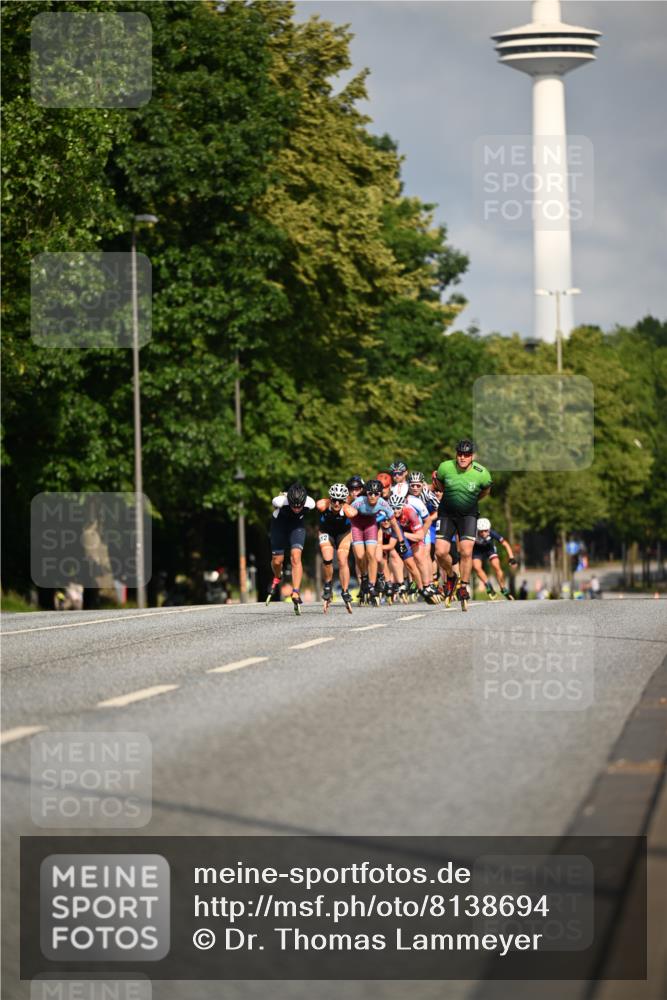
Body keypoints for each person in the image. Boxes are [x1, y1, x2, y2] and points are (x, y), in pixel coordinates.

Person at [433, 439, 492, 610]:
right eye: (460, 454)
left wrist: (473, 499)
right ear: (456, 454)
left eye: (466, 455)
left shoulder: (482, 473)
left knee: (466, 551)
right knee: (440, 552)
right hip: (446, 514)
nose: (463, 457)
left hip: (468, 515)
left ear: (472, 456)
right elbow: (440, 485)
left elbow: (486, 490)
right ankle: (451, 576)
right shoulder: (445, 467)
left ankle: (464, 587)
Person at [346, 479, 408, 606]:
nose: (373, 496)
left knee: (371, 554)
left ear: (380, 494)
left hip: (370, 525)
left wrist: (401, 542)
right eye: (370, 493)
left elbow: (394, 524)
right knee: (359, 555)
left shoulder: (383, 503)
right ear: (366, 493)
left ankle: (371, 585)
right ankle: (364, 578)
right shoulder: (358, 502)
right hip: (356, 525)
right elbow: (346, 517)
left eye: (376, 494)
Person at [266, 483, 316, 613]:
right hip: (279, 526)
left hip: (296, 527)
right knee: (277, 561)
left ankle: (295, 592)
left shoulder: (310, 503)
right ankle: (277, 575)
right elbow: (275, 504)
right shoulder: (279, 501)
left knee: (296, 556)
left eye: (300, 506)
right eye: (294, 505)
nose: (297, 509)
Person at [316, 483, 354, 612]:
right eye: (334, 500)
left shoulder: (348, 510)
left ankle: (345, 590)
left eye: (340, 501)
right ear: (330, 498)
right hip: (326, 532)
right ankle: (327, 585)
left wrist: (346, 504)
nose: (337, 503)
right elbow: (319, 503)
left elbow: (354, 512)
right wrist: (328, 501)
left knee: (343, 560)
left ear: (344, 501)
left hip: (343, 534)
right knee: (327, 559)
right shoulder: (324, 505)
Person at [472, 518, 517, 600]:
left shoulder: (492, 533)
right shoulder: (473, 534)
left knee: (496, 566)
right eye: (481, 531)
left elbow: (505, 544)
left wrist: (511, 557)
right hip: (477, 551)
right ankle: (488, 584)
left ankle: (503, 588)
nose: (483, 533)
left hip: (490, 550)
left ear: (488, 529)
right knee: (476, 567)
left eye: (485, 531)